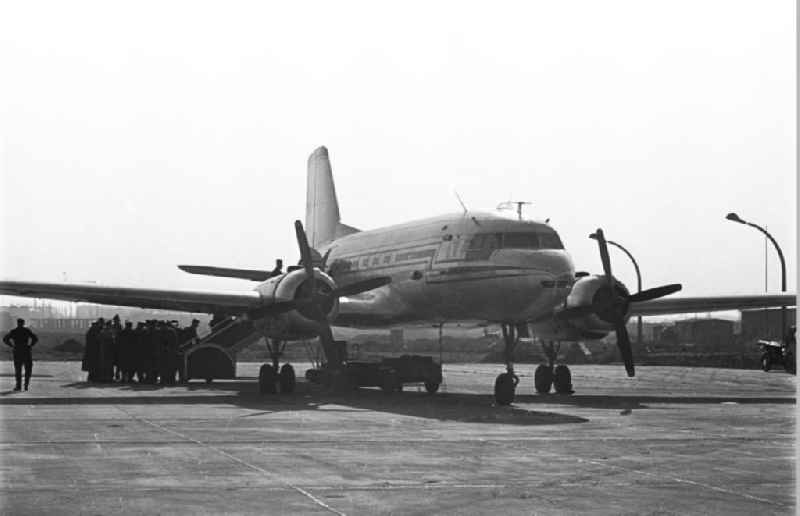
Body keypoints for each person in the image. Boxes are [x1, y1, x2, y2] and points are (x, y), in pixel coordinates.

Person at [3, 318, 39, 391]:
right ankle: (26, 385)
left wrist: (11, 345)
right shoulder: (27, 331)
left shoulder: (14, 331)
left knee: (18, 370)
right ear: (23, 323)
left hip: (17, 351)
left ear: (17, 323)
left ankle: (18, 386)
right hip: (26, 351)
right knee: (28, 369)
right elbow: (35, 338)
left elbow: (5, 339)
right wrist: (30, 345)